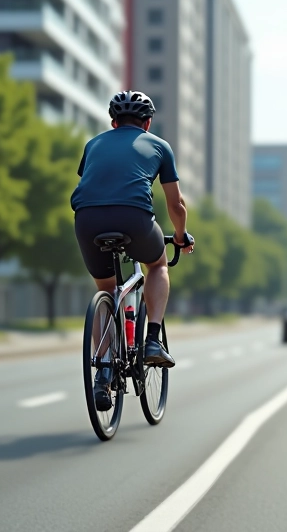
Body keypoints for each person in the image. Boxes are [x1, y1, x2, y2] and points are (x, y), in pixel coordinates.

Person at [71, 91, 194, 410]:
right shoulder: (160, 146)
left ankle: (103, 372)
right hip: (133, 218)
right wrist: (180, 235)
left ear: (113, 122)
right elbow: (176, 205)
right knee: (158, 265)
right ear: (148, 123)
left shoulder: (93, 144)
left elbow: (93, 182)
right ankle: (152, 339)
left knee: (106, 290)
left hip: (87, 220)